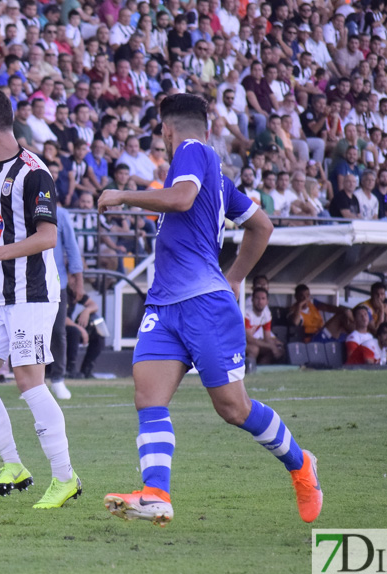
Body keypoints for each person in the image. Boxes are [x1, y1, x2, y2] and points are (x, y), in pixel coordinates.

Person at [96, 94, 321, 526]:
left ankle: (301, 467)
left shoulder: (192, 153)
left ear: (167, 130)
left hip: (201, 304)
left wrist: (123, 194)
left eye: (161, 132)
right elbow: (261, 225)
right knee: (148, 397)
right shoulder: (213, 176)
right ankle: (156, 494)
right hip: (165, 305)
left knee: (232, 408)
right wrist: (235, 276)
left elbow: (180, 199)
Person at [0, 86, 80, 510]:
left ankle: (65, 478)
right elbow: (0, 235)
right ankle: (15, 465)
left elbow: (47, 237)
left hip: (32, 294)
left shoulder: (34, 173)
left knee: (29, 382)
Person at [47, 204, 83, 401]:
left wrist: (79, 280)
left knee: (58, 331)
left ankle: (58, 378)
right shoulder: (23, 207)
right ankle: (33, 382)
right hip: (28, 280)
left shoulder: (60, 214)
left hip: (56, 281)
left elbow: (71, 247)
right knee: (30, 331)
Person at [244, 287, 284, 365]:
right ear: (252, 300)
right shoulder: (246, 313)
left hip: (248, 342)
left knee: (274, 349)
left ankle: (262, 371)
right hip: (237, 342)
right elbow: (249, 338)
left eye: (263, 298)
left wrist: (275, 346)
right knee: (254, 349)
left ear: (267, 301)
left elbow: (267, 337)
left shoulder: (267, 313)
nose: (260, 301)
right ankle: (249, 371)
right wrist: (271, 346)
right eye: (257, 298)